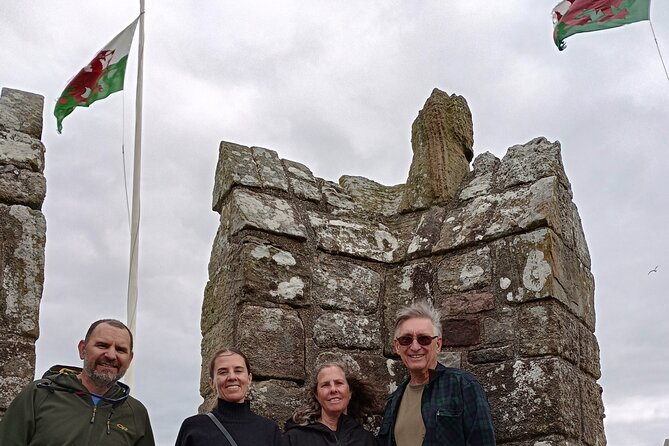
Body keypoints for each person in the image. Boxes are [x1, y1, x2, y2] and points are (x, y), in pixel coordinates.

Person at [0, 318, 155, 446]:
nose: (111, 355)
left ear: (130, 359)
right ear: (83, 349)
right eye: (102, 345)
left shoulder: (136, 413)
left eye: (121, 350)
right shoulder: (39, 394)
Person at [377, 301, 496, 445]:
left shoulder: (463, 386)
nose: (415, 347)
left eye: (424, 339)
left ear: (438, 344)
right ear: (397, 346)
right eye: (406, 339)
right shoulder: (394, 401)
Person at [175, 347, 282, 446]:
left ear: (249, 379)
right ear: (212, 383)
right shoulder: (193, 427)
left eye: (238, 371)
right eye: (223, 372)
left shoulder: (269, 430)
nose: (232, 377)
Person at [284, 361, 378, 446]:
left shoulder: (366, 440)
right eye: (325, 385)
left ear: (350, 392)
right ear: (316, 395)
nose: (333, 389)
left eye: (339, 383)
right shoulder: (295, 438)